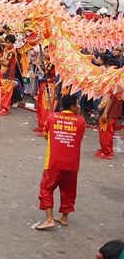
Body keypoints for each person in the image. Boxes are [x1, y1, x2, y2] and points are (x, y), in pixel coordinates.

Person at [35, 94, 86, 230]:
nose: (79, 107)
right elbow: (78, 138)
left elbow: (46, 135)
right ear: (72, 106)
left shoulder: (52, 117)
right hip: (72, 163)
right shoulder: (81, 121)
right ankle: (64, 217)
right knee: (69, 190)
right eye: (78, 104)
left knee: (46, 188)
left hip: (54, 161)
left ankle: (49, 219)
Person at [95, 95, 122, 159]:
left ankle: (107, 151)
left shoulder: (112, 86)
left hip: (109, 113)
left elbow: (110, 97)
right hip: (113, 112)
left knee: (105, 133)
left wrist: (105, 112)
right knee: (108, 133)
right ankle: (105, 149)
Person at [0, 34, 20, 116]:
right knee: (2, 91)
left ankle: (5, 108)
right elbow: (2, 58)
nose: (6, 44)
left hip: (8, 75)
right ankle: (1, 107)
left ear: (12, 43)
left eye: (8, 43)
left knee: (6, 93)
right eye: (5, 42)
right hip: (3, 73)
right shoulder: (5, 50)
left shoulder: (12, 52)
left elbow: (6, 63)